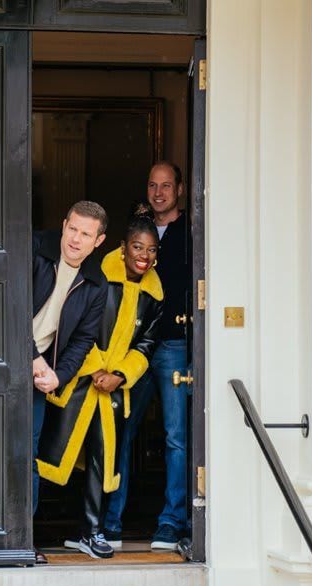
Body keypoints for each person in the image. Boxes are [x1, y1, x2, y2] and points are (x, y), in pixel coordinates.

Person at [37, 208, 163, 559]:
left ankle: (90, 531)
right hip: (75, 380)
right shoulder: (96, 275)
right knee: (50, 453)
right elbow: (77, 325)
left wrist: (120, 375)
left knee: (100, 459)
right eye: (138, 247)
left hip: (112, 391)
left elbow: (146, 345)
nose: (144, 256)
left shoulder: (155, 296)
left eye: (151, 250)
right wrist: (93, 369)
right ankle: (29, 529)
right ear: (122, 247)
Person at [102, 162, 192, 552]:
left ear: (180, 190)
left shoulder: (193, 231)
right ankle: (109, 524)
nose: (159, 192)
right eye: (153, 185)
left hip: (173, 345)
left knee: (176, 437)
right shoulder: (132, 233)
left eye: (166, 186)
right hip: (131, 349)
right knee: (120, 433)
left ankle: (171, 523)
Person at [31, 201, 109, 522]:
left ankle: (22, 539)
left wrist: (59, 377)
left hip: (37, 377)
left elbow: (82, 341)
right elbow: (8, 305)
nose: (75, 239)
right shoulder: (34, 250)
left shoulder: (95, 283)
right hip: (3, 360)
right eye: (72, 229)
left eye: (86, 234)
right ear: (63, 225)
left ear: (98, 241)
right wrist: (32, 355)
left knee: (26, 455)